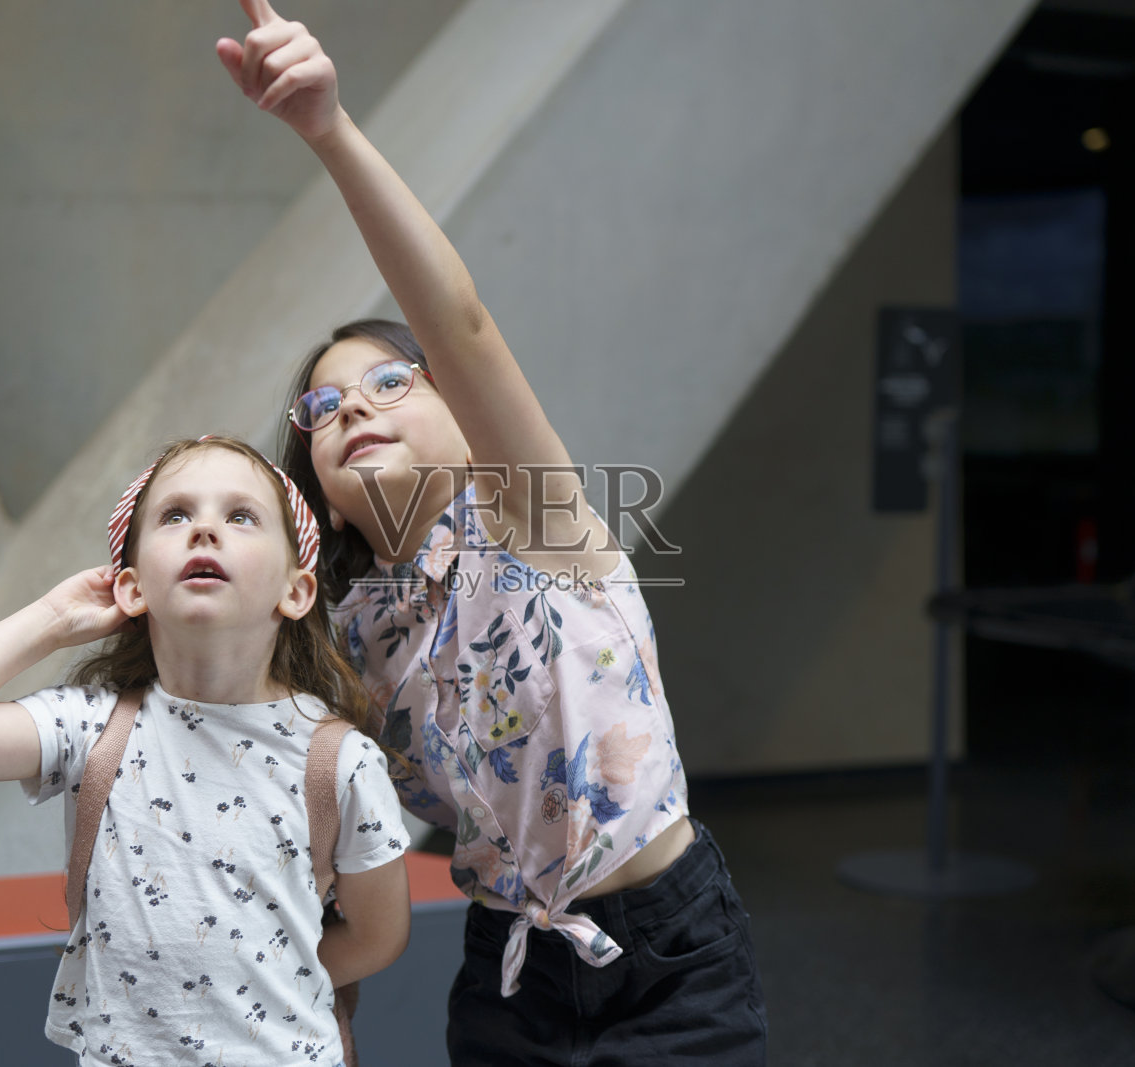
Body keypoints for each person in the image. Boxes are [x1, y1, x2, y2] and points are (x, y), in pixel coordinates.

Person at [216, 4, 767, 1063]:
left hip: (670, 950)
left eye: (388, 379)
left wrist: (329, 131)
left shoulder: (536, 522)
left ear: (468, 427)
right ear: (321, 496)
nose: (354, 408)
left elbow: (457, 320)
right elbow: (335, 839)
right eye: (322, 410)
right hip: (507, 964)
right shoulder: (347, 636)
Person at [0, 435, 410, 1066]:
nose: (204, 529)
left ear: (296, 591)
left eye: (241, 516)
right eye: (175, 515)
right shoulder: (91, 728)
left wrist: (264, 977)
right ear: (131, 588)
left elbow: (377, 936)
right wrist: (52, 617)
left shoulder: (340, 762)